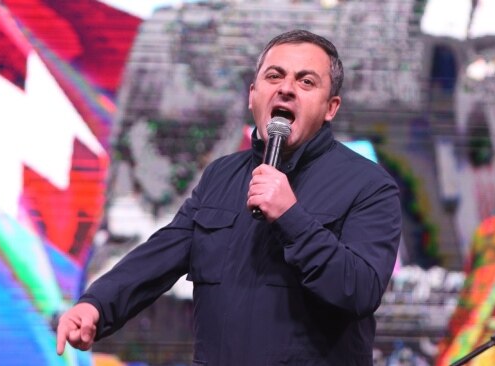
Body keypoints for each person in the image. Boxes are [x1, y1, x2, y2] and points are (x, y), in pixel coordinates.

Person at [56, 29, 402, 365]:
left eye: (306, 82)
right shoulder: (222, 175)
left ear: (331, 107)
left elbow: (360, 289)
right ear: (253, 95)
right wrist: (96, 304)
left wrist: (291, 216)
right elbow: (164, 252)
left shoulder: (369, 186)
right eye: (274, 76)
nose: (286, 89)